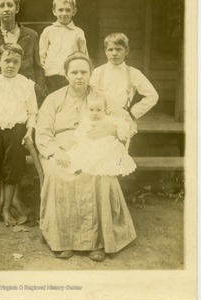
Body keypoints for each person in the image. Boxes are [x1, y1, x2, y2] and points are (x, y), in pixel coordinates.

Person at [35, 51, 137, 262]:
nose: (79, 76)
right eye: (74, 72)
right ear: (66, 74)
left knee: (100, 175)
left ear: (90, 74)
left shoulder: (101, 97)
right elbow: (43, 131)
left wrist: (109, 129)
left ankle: (98, 242)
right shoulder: (53, 99)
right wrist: (56, 151)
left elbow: (127, 122)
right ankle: (63, 240)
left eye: (84, 71)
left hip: (93, 149)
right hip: (61, 149)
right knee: (57, 173)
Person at [0, 0, 47, 220]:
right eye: (2, 5)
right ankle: (3, 206)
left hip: (22, 103)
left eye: (10, 5)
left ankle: (14, 201)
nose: (6, 9)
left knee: (15, 159)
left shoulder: (31, 35)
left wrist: (37, 96)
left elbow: (37, 68)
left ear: (17, 8)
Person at [0, 43, 38, 227]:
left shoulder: (26, 84)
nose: (11, 65)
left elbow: (32, 112)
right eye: (7, 61)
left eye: (15, 62)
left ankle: (6, 210)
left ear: (21, 63)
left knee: (12, 171)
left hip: (16, 133)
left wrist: (29, 131)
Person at [64, 90, 136, 176]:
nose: (95, 113)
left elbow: (123, 125)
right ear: (86, 109)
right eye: (91, 110)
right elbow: (79, 132)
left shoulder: (108, 119)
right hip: (89, 144)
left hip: (107, 145)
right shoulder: (86, 120)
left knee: (106, 157)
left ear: (104, 110)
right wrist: (79, 139)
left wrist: (119, 131)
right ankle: (81, 167)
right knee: (80, 154)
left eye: (98, 110)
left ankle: (107, 169)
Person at [90, 32, 159, 121]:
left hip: (122, 118)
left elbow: (152, 96)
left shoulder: (134, 73)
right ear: (105, 51)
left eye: (119, 49)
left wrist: (133, 113)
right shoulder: (97, 72)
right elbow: (90, 95)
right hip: (100, 117)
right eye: (110, 49)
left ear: (126, 51)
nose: (114, 53)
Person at [39, 0, 88, 94]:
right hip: (51, 75)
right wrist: (42, 73)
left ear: (74, 11)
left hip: (70, 76)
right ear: (54, 11)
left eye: (68, 10)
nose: (64, 13)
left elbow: (83, 55)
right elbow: (42, 54)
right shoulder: (48, 31)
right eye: (60, 10)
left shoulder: (78, 32)